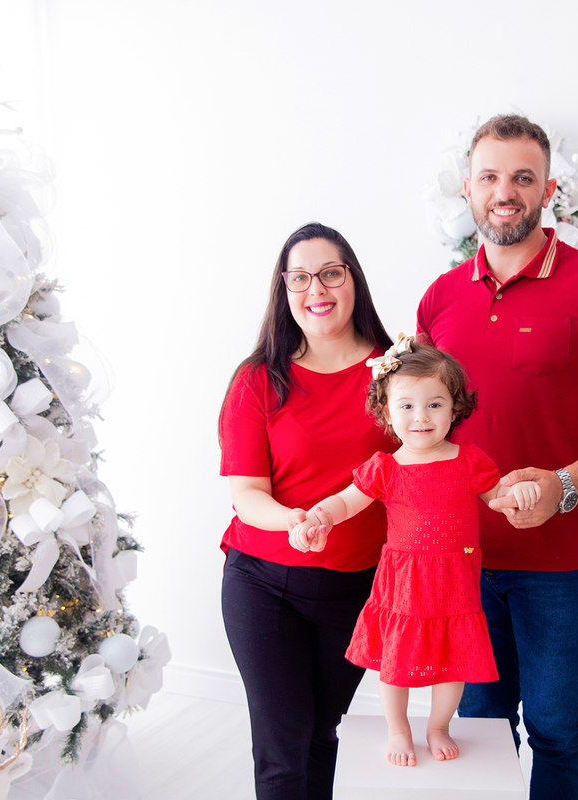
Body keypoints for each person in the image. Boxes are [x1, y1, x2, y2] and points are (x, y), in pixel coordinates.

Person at [416, 114, 578, 800]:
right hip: (461, 559)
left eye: (523, 178)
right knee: (476, 728)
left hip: (557, 564)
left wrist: (561, 486)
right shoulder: (439, 299)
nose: (506, 191)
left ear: (548, 189)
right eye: (491, 177)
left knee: (556, 728)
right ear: (467, 190)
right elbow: (419, 428)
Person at [288, 337, 541, 767]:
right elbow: (347, 501)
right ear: (386, 412)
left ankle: (438, 724)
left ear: (455, 406)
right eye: (406, 406)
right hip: (404, 582)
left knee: (455, 662)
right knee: (396, 659)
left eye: (435, 404)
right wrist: (318, 517)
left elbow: (499, 495)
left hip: (455, 582)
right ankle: (398, 727)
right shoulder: (386, 467)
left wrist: (521, 492)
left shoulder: (469, 461)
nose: (421, 417)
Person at [218, 222, 397, 800]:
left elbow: (422, 468)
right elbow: (247, 493)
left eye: (329, 273)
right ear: (284, 290)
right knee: (282, 747)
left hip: (356, 588)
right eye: (299, 278)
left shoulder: (395, 376)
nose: (315, 289)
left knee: (321, 733)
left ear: (353, 281)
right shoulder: (257, 380)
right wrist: (297, 521)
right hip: (263, 580)